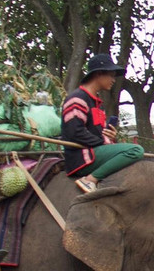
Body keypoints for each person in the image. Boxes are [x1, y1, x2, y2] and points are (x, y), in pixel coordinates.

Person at [61, 53, 143, 193]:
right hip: (82, 157)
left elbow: (96, 133)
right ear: (98, 74)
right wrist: (103, 142)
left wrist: (109, 136)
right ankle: (90, 180)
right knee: (136, 150)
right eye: (111, 75)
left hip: (95, 151)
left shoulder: (97, 103)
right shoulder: (77, 99)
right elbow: (75, 133)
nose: (113, 80)